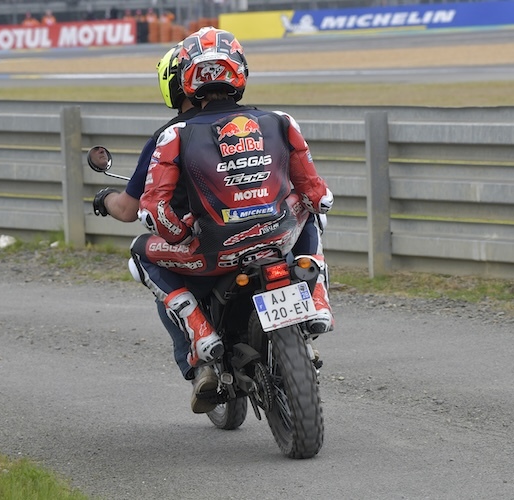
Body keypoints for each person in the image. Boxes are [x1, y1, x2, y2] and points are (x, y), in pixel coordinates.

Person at [130, 27, 334, 413]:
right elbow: (318, 195)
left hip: (211, 254)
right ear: (239, 72)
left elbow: (156, 213)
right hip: (279, 239)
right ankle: (319, 302)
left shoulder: (174, 134)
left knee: (140, 253)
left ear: (187, 80)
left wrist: (181, 230)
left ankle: (201, 334)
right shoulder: (281, 120)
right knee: (311, 215)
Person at [92, 43, 200, 381]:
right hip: (266, 230)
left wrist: (104, 197)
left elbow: (127, 209)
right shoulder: (258, 121)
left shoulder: (168, 136)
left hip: (201, 244)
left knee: (144, 257)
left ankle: (196, 364)